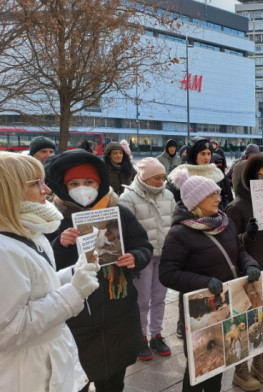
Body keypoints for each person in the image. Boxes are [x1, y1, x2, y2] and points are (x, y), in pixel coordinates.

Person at [45, 149, 153, 392]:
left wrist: (135, 257)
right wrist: (59, 244)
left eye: (88, 182)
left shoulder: (119, 213)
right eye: (74, 183)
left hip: (119, 314)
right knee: (78, 380)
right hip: (76, 320)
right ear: (64, 186)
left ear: (100, 183)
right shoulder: (54, 219)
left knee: (114, 381)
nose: (82, 188)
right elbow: (43, 267)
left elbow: (144, 246)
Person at [0, 152, 99, 392]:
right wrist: (74, 291)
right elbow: (8, 329)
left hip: (51, 361)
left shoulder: (31, 231)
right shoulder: (4, 251)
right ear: (10, 190)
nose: (46, 190)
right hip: (28, 374)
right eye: (36, 183)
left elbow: (35, 289)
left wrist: (72, 274)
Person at [160, 169, 261, 392]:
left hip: (227, 305)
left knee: (219, 363)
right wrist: (203, 282)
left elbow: (239, 251)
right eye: (212, 195)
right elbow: (167, 273)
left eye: (218, 193)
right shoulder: (180, 233)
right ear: (196, 201)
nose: (219, 198)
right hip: (200, 312)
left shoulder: (224, 222)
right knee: (198, 369)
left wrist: (250, 264)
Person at [225, 154, 263, 391]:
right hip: (248, 271)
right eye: (257, 176)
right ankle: (240, 371)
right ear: (247, 179)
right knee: (244, 321)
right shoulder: (236, 207)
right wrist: (245, 236)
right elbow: (229, 244)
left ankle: (259, 364)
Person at [119, 158, 176, 361]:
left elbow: (174, 223)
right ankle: (140, 336)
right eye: (156, 178)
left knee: (159, 298)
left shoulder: (168, 195)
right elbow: (123, 231)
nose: (161, 181)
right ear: (144, 177)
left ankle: (156, 335)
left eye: (162, 177)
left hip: (164, 255)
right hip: (142, 257)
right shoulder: (128, 198)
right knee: (141, 300)